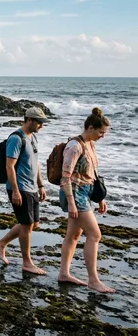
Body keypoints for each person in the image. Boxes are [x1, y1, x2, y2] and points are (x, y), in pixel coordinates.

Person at [58, 108, 114, 293]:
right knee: (95, 235)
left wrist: (100, 198)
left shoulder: (90, 144)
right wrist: (72, 203)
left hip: (86, 193)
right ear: (90, 127)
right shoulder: (74, 146)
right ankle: (93, 280)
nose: (102, 136)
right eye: (100, 132)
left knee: (73, 236)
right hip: (74, 194)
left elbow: (92, 174)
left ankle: (64, 274)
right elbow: (65, 178)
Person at [0, 107, 49, 274]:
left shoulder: (33, 138)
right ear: (29, 120)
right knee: (26, 225)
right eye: (39, 122)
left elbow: (36, 163)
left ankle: (1, 243)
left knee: (33, 224)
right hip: (20, 187)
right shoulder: (16, 139)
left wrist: (41, 185)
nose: (41, 126)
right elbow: (9, 166)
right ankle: (27, 262)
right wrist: (15, 191)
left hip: (31, 187)